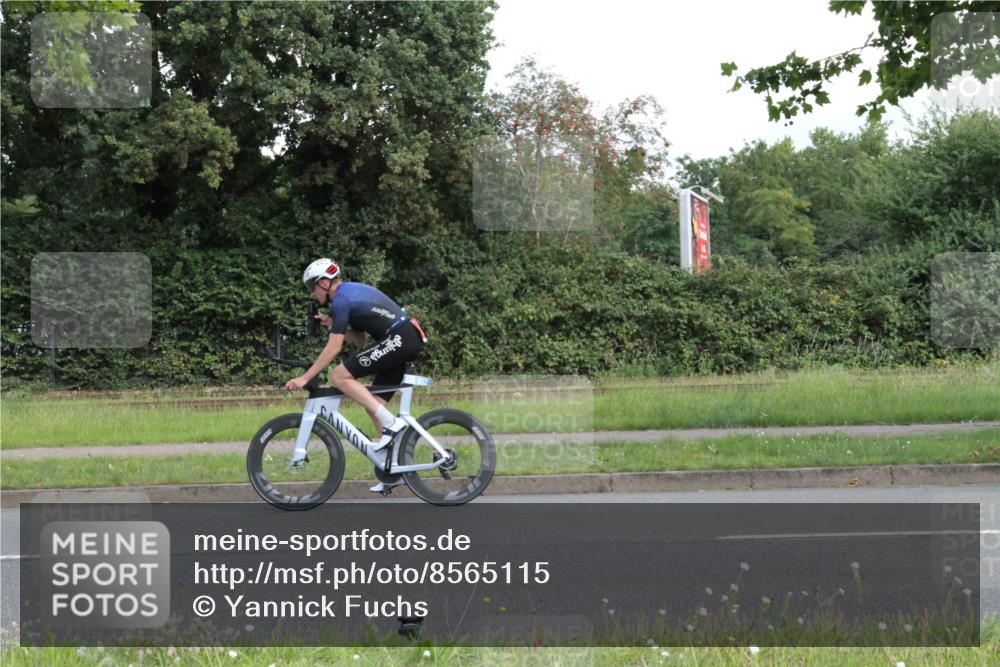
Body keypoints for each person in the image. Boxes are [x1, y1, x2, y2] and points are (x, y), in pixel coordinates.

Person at [284, 258, 428, 493]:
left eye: (311, 288)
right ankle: (393, 470)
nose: (311, 295)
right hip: (403, 338)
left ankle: (392, 424)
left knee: (339, 376)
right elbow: (359, 339)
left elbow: (334, 348)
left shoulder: (341, 299)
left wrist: (304, 377)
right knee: (374, 404)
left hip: (400, 338)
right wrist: (332, 324)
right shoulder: (345, 296)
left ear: (323, 283)